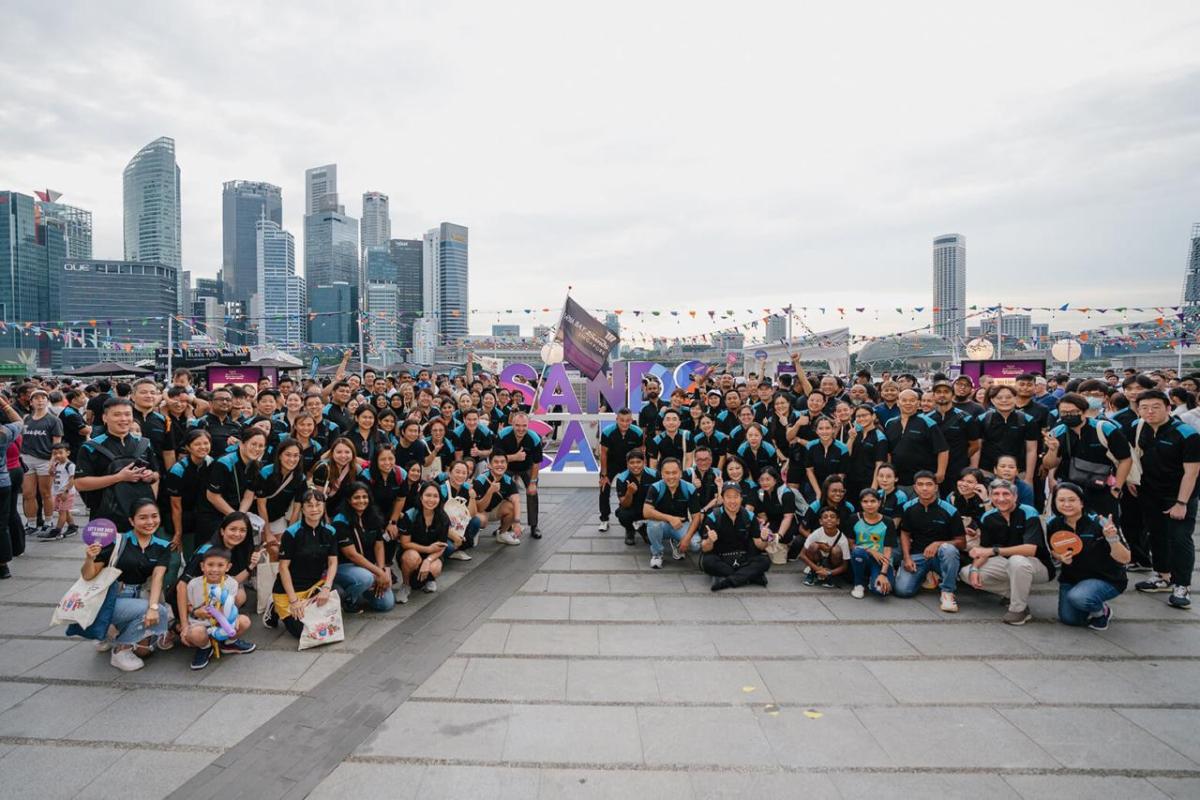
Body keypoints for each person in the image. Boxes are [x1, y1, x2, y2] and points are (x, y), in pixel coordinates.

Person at [81, 497, 172, 672]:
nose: (150, 522)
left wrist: (153, 606)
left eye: (154, 516)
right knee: (158, 611)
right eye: (143, 517)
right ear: (131, 520)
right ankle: (120, 649)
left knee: (144, 650)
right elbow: (88, 575)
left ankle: (110, 633)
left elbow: (157, 578)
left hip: (141, 596)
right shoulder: (117, 542)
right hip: (113, 598)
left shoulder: (163, 546)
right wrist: (89, 558)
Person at [1130, 390, 1199, 608]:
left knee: (1180, 539)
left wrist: (1181, 503)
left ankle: (1182, 585)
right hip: (1149, 492)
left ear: (1168, 408)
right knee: (1156, 535)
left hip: (1177, 495)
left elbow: (1192, 472)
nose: (1149, 411)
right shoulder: (1138, 428)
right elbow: (1133, 456)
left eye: (1156, 407)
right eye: (1144, 407)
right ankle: (1163, 575)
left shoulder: (1187, 433)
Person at [962, 478, 1054, 625]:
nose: (1001, 498)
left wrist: (995, 551)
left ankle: (1018, 610)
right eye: (996, 494)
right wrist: (974, 567)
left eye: (1006, 494)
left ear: (1015, 497)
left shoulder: (1028, 512)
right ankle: (1014, 594)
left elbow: (1031, 549)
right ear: (990, 497)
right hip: (1007, 563)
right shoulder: (988, 517)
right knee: (966, 573)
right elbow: (985, 550)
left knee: (1017, 560)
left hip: (1038, 565)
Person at [1048, 482, 1130, 629]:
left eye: (1072, 500)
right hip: (1072, 579)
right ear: (1054, 502)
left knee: (1079, 597)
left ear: (1082, 502)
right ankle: (1088, 600)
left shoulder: (1101, 522)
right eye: (1061, 500)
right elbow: (1053, 549)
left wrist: (1112, 538)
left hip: (1105, 578)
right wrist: (1060, 558)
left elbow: (1125, 558)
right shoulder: (1054, 524)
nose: (1066, 504)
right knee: (1070, 619)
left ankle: (1101, 612)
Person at [75, 398, 159, 533]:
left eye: (127, 414)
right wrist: (119, 477)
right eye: (117, 414)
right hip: (105, 517)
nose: (123, 419)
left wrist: (150, 476)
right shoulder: (91, 447)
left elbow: (156, 473)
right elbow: (80, 483)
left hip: (140, 517)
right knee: (106, 554)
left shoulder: (144, 443)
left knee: (141, 552)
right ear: (105, 418)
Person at [1042, 393, 1131, 519]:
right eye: (1064, 413)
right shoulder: (1057, 432)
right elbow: (1049, 464)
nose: (1068, 415)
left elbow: (1125, 459)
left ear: (1084, 412)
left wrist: (1117, 488)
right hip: (1070, 489)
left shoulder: (1105, 428)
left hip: (1102, 489)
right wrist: (1053, 450)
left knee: (1105, 528)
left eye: (1073, 412)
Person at [267, 489, 339, 637]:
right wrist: (294, 601)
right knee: (305, 633)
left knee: (338, 598)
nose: (314, 509)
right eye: (309, 505)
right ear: (302, 509)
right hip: (290, 591)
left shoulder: (330, 531)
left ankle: (311, 606)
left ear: (324, 506)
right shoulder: (291, 533)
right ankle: (275, 606)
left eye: (318, 504)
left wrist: (326, 587)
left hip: (314, 587)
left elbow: (333, 562)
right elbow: (283, 568)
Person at [894, 471, 964, 612]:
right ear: (915, 487)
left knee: (948, 549)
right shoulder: (908, 507)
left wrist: (938, 544)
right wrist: (907, 558)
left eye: (929, 484)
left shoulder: (950, 510)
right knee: (902, 591)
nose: (924, 488)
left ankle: (947, 592)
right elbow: (905, 533)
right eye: (920, 485)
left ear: (936, 487)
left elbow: (962, 542)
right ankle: (926, 575)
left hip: (941, 557)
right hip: (918, 556)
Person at [180, 545, 256, 670]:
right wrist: (196, 611)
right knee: (195, 634)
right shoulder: (194, 584)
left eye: (220, 565)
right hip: (201, 624)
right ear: (202, 566)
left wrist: (230, 617)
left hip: (223, 622)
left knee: (244, 621)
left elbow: (229, 605)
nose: (214, 569)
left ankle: (229, 643)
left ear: (228, 567)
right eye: (210, 565)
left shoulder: (231, 583)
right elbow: (188, 606)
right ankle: (205, 647)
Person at [331, 483, 395, 612]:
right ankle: (348, 599)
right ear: (349, 500)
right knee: (366, 578)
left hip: (368, 567)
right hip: (345, 566)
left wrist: (381, 569)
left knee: (386, 604)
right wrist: (378, 573)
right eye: (357, 497)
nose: (361, 501)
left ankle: (362, 589)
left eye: (364, 497)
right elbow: (351, 555)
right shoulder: (340, 520)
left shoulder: (372, 515)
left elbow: (379, 545)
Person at [696, 483, 771, 591]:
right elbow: (705, 548)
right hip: (721, 558)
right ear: (722, 498)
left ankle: (728, 581)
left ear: (741, 498)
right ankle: (750, 576)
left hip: (744, 558)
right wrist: (709, 540)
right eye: (728, 497)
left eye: (736, 497)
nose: (732, 501)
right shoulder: (713, 517)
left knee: (765, 561)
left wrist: (764, 539)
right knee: (707, 562)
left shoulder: (749, 516)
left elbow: (760, 546)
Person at [396, 481, 452, 603]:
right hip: (411, 552)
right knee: (411, 557)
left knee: (436, 567)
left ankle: (428, 580)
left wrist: (428, 560)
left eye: (435, 496)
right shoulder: (411, 514)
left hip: (432, 555)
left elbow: (441, 546)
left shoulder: (443, 518)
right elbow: (405, 543)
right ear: (421, 497)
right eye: (428, 495)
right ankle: (406, 585)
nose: (431, 500)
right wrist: (427, 549)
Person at [883, 389, 948, 493]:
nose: (908, 403)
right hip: (897, 481)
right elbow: (889, 452)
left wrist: (941, 473)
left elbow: (943, 449)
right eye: (904, 400)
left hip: (922, 481)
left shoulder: (928, 423)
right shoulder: (890, 424)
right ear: (898, 403)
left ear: (918, 403)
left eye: (912, 400)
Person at [641, 458, 700, 569]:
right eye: (667, 473)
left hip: (680, 525)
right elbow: (646, 511)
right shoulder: (655, 487)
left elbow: (696, 516)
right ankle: (657, 553)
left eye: (674, 473)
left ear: (681, 473)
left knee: (696, 544)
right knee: (653, 525)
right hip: (661, 525)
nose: (671, 476)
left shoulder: (689, 488)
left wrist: (687, 538)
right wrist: (670, 518)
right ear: (662, 474)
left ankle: (678, 544)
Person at [973, 385, 1039, 484]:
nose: (1004, 400)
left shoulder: (1027, 420)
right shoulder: (982, 419)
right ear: (992, 400)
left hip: (1018, 472)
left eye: (1009, 397)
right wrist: (974, 474)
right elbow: (977, 448)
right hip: (987, 471)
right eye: (999, 398)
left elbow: (1031, 450)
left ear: (1015, 398)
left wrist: (1029, 477)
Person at [254, 439, 306, 559]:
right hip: (259, 519)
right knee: (269, 550)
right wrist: (267, 532)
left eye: (296, 456)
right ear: (279, 456)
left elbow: (296, 509)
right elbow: (261, 505)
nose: (292, 459)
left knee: (282, 551)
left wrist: (289, 532)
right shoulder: (266, 472)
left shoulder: (300, 478)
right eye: (288, 455)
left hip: (278, 519)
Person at [495, 411, 544, 538]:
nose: (521, 429)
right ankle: (505, 525)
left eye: (524, 426)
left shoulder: (535, 438)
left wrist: (532, 483)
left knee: (532, 492)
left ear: (528, 425)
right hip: (507, 467)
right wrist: (514, 457)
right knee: (503, 492)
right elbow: (496, 459)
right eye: (517, 425)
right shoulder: (502, 435)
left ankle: (534, 526)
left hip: (527, 467)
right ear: (512, 423)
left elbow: (536, 463)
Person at [21, 389, 63, 537]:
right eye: (36, 398)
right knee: (27, 493)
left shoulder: (54, 420)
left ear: (47, 401)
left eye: (43, 398)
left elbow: (57, 444)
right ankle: (31, 523)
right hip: (26, 459)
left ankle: (48, 521)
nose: (40, 401)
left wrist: (53, 461)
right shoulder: (27, 418)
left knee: (46, 493)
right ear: (31, 402)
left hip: (45, 460)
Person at [928, 380, 981, 496]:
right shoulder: (926, 419)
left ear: (952, 395)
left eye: (946, 391)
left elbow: (975, 445)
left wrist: (960, 457)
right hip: (933, 469)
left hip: (957, 470)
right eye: (938, 392)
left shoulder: (966, 418)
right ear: (933, 395)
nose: (942, 394)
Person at [598, 408, 643, 532]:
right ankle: (604, 519)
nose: (624, 423)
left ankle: (635, 518)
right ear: (617, 420)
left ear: (631, 420)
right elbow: (603, 454)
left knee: (635, 489)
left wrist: (637, 471)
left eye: (628, 421)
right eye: (622, 420)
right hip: (611, 463)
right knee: (604, 489)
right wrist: (604, 474)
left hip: (628, 465)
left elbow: (639, 453)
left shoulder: (637, 432)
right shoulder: (607, 432)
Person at [849, 488, 896, 598]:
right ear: (860, 503)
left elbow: (888, 549)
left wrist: (883, 574)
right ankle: (859, 584)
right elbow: (851, 545)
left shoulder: (888, 522)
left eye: (873, 501)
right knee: (858, 552)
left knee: (881, 591)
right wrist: (870, 551)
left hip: (880, 560)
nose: (869, 504)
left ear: (879, 503)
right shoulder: (854, 518)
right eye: (865, 501)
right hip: (861, 557)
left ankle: (873, 579)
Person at [471, 452, 522, 545]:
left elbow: (516, 500)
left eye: (503, 462)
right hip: (479, 512)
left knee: (512, 506)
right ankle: (474, 531)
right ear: (490, 465)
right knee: (482, 520)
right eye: (496, 462)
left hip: (494, 510)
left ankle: (502, 533)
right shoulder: (481, 480)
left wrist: (517, 522)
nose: (500, 465)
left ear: (507, 464)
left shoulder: (508, 480)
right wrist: (490, 491)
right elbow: (479, 508)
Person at [0, 397, 23, 579]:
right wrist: (5, 404)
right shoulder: (4, 432)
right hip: (3, 483)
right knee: (1, 524)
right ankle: (3, 566)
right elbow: (19, 422)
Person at [801, 507, 852, 587]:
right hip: (818, 560)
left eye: (832, 517)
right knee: (813, 545)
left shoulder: (843, 539)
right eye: (825, 517)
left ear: (838, 521)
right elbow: (802, 555)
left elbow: (845, 565)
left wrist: (829, 572)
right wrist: (817, 569)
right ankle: (813, 572)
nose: (829, 519)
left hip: (832, 563)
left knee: (836, 550)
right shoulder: (816, 533)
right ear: (820, 521)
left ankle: (830, 575)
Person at [614, 449, 656, 546]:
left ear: (644, 462)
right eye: (632, 462)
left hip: (649, 508)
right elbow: (624, 504)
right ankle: (630, 530)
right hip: (632, 509)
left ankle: (645, 529)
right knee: (622, 514)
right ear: (627, 464)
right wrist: (629, 492)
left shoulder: (654, 475)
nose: (635, 465)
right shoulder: (621, 478)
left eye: (638, 462)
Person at [804, 418, 849, 500]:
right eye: (821, 428)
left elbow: (841, 475)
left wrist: (830, 493)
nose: (824, 431)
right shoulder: (810, 446)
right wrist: (818, 493)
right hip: (814, 487)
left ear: (833, 429)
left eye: (827, 428)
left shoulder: (843, 448)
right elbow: (809, 470)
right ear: (816, 431)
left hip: (835, 489)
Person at [46, 442, 78, 539]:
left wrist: (66, 492)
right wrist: (51, 467)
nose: (57, 455)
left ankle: (57, 531)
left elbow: (72, 479)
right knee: (65, 510)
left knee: (62, 512)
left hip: (67, 492)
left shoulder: (70, 465)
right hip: (58, 492)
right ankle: (72, 526)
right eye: (55, 453)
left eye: (60, 453)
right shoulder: (57, 464)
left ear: (68, 453)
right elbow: (52, 474)